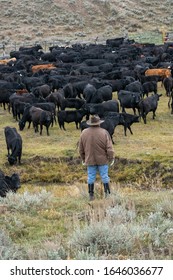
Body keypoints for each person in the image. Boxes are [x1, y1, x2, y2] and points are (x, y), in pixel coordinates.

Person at [78, 114, 115, 201]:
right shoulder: (104, 132)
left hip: (90, 160)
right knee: (105, 177)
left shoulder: (84, 133)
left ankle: (91, 195)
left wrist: (84, 159)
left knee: (90, 177)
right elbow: (109, 148)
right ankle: (107, 195)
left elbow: (81, 149)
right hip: (102, 160)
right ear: (99, 123)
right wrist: (111, 157)